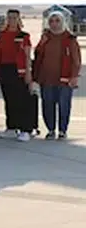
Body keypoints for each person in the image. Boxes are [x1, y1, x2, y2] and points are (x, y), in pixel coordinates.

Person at [34, 11, 81, 140]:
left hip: (64, 78)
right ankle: (50, 129)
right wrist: (41, 43)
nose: (54, 24)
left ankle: (62, 130)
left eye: (57, 21)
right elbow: (37, 54)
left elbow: (76, 60)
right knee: (47, 104)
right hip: (47, 78)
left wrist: (74, 76)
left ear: (63, 22)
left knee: (64, 104)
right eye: (52, 21)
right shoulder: (46, 37)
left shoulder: (70, 38)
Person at [0, 9, 35, 142]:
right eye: (9, 17)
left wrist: (28, 73)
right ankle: (11, 127)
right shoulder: (1, 35)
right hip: (5, 70)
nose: (11, 20)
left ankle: (25, 129)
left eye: (14, 18)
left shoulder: (24, 36)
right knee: (9, 100)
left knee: (22, 100)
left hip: (19, 71)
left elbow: (28, 56)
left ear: (18, 19)